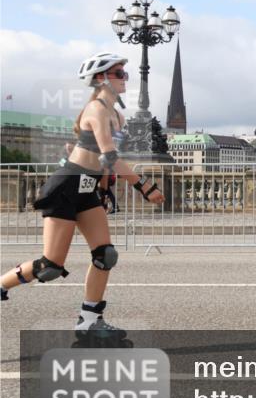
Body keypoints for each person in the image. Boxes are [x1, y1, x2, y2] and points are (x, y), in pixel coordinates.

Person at [0, 52, 165, 341]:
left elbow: (104, 163)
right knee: (50, 266)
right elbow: (110, 156)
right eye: (119, 73)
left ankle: (89, 321)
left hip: (88, 188)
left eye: (125, 73)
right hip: (66, 187)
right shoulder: (97, 110)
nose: (125, 78)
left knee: (106, 255)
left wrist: (103, 190)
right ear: (101, 78)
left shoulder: (117, 114)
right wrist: (144, 186)